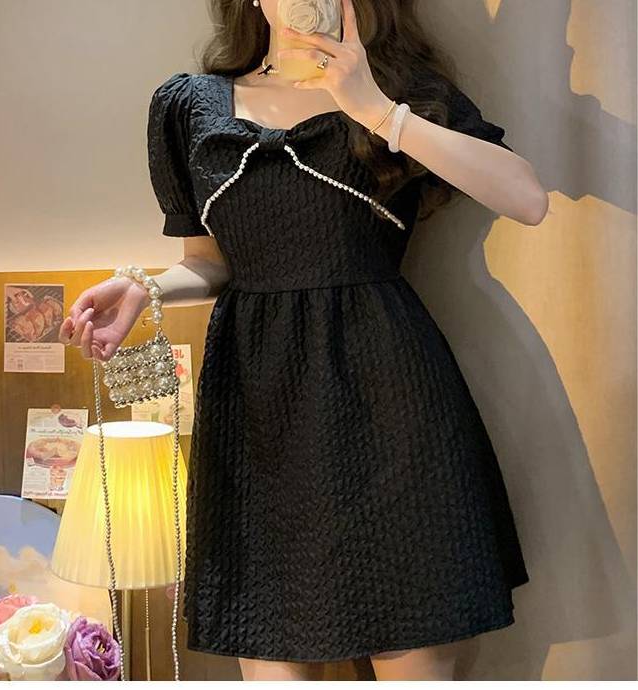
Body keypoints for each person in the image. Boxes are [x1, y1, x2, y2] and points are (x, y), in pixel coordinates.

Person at [59, 0, 546, 680]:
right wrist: (145, 287)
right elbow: (211, 262)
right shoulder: (188, 106)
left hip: (391, 396)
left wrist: (376, 109)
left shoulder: (397, 90)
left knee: (412, 646)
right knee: (270, 648)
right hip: (259, 412)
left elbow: (527, 198)